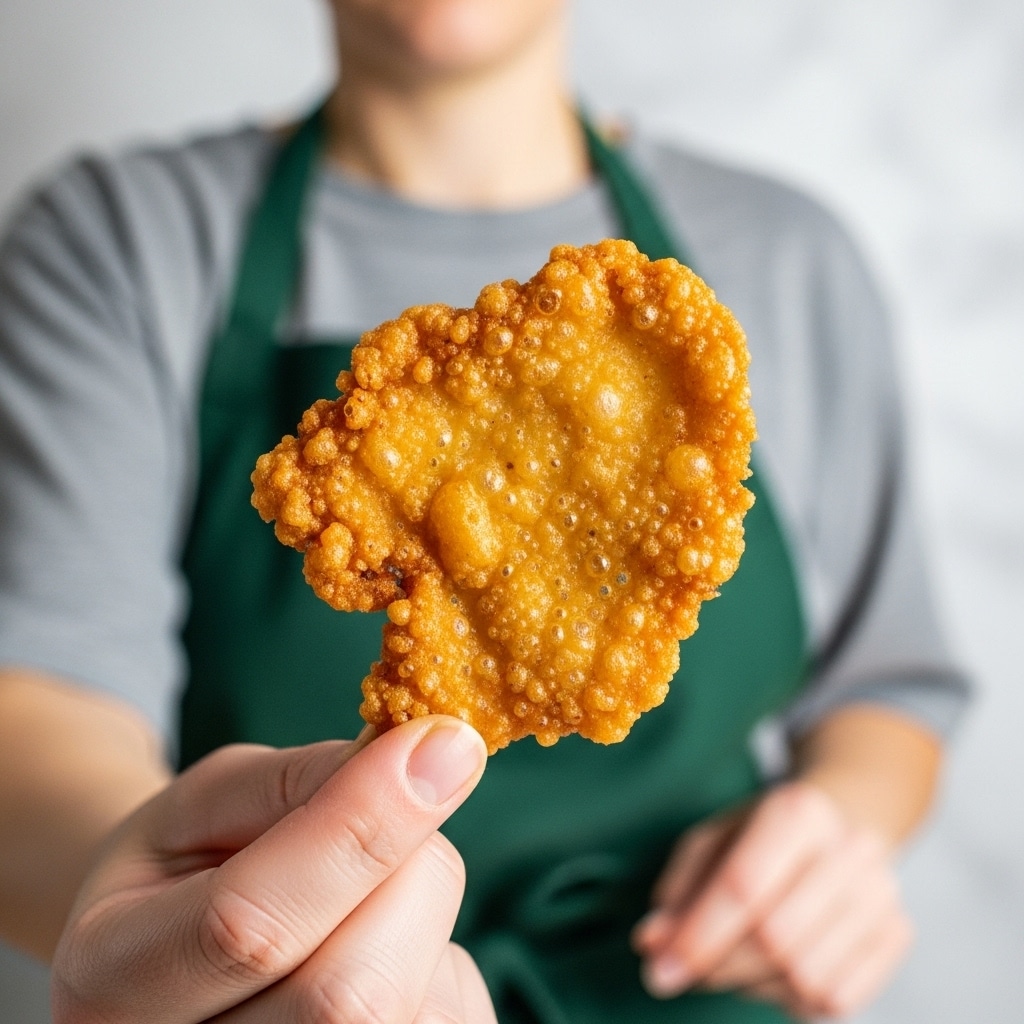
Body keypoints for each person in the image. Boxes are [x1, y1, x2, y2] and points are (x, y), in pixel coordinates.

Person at [0, 1, 970, 1021]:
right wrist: (195, 917)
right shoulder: (119, 239)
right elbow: (39, 708)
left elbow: (885, 685)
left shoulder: (785, 256)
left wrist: (836, 829)